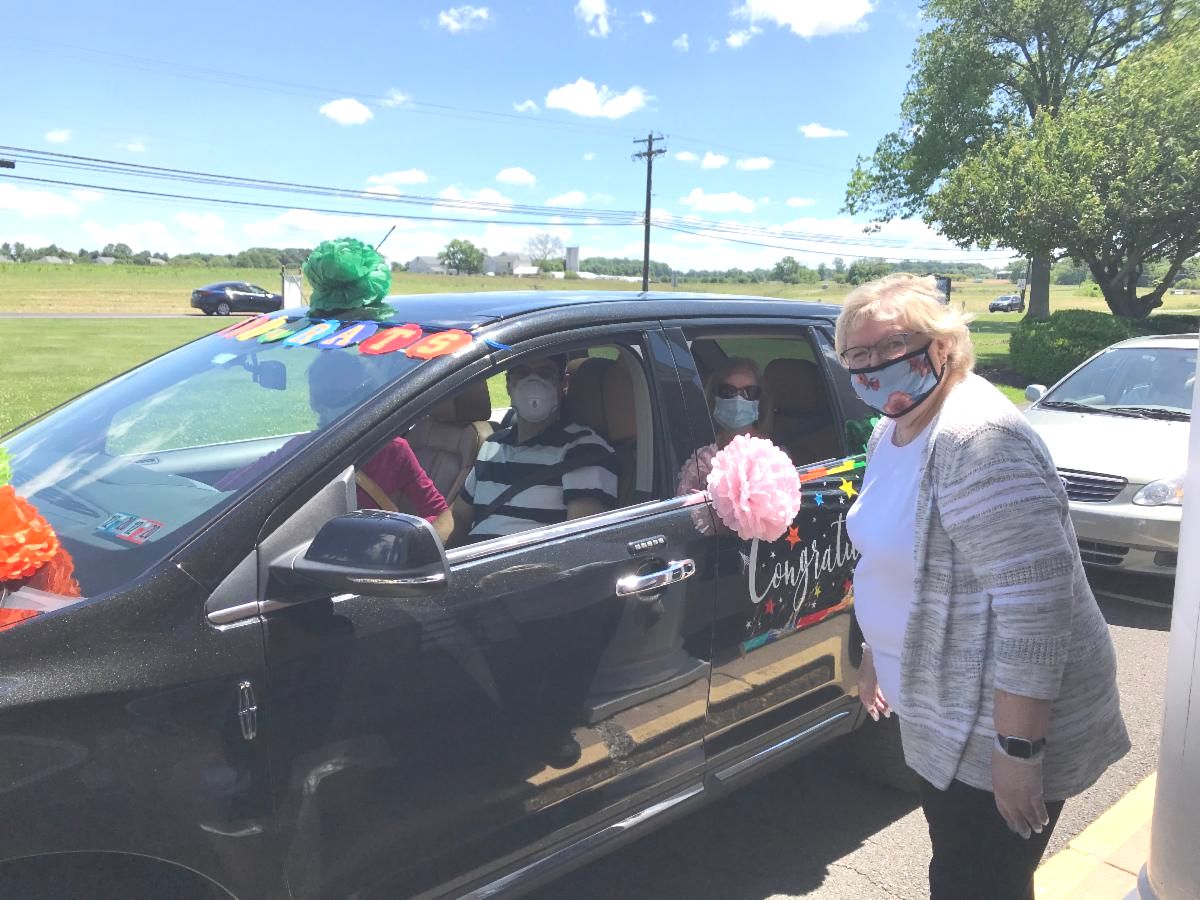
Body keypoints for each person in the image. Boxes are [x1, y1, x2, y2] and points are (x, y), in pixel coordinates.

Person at [837, 274, 1129, 900]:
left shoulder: (978, 441)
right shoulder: (895, 426)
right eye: (856, 355)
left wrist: (1019, 752)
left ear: (942, 346)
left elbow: (1036, 610)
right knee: (965, 867)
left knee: (976, 883)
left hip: (997, 720)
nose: (872, 366)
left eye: (890, 347)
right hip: (943, 703)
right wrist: (876, 654)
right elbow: (893, 556)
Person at [218, 351, 453, 542]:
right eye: (333, 396)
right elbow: (229, 489)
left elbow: (439, 513)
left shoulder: (392, 451)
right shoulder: (303, 449)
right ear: (317, 403)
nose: (349, 405)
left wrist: (403, 545)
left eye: (356, 394)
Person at [453, 354, 618, 543]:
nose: (532, 383)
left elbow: (582, 543)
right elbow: (458, 518)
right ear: (508, 386)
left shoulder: (584, 450)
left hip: (522, 561)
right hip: (474, 557)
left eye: (545, 373)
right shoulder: (492, 445)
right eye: (522, 373)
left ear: (563, 384)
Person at [676, 356, 774, 500]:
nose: (738, 400)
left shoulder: (775, 458)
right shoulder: (703, 462)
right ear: (714, 398)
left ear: (760, 400)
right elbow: (683, 507)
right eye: (728, 391)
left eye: (749, 392)